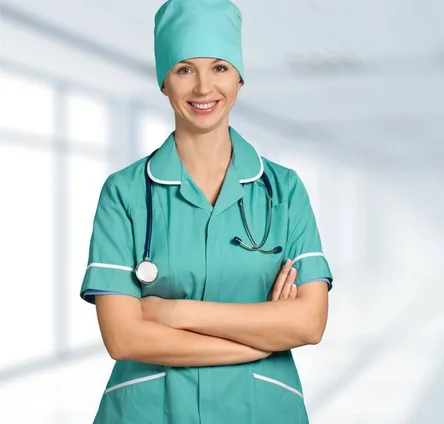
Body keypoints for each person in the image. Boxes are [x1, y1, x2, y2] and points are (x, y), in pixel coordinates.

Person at [79, 0, 333, 423]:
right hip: (149, 411)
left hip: (261, 410)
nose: (202, 89)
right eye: (184, 70)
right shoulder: (124, 193)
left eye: (219, 68)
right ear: (163, 82)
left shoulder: (284, 190)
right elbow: (123, 337)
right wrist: (258, 338)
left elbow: (309, 324)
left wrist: (175, 312)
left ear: (239, 78)